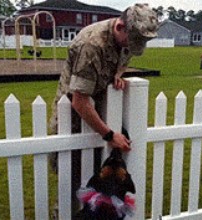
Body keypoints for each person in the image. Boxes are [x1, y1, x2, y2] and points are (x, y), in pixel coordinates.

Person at [49, 3, 159, 217]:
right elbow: (79, 101)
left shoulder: (124, 39)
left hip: (100, 119)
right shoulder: (90, 45)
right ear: (120, 26)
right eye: (133, 40)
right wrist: (109, 135)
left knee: (99, 187)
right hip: (74, 123)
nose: (133, 46)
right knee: (72, 191)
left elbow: (125, 57)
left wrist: (117, 73)